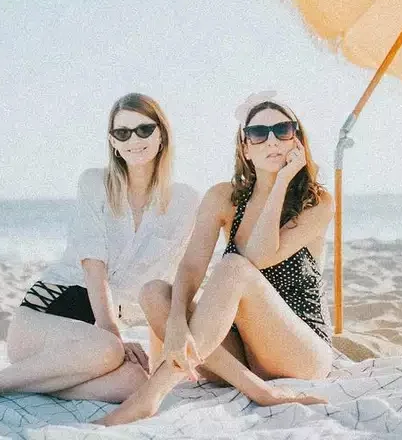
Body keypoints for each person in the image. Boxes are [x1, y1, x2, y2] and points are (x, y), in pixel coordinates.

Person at [0, 93, 199, 403]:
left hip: (93, 341)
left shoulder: (184, 201)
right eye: (122, 132)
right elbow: (93, 263)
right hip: (47, 318)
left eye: (144, 129)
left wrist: (162, 351)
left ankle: (11, 382)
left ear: (162, 134)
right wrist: (111, 332)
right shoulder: (94, 182)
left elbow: (169, 281)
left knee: (134, 383)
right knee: (108, 349)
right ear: (113, 142)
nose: (133, 139)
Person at [99, 92, 333, 425]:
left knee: (235, 267)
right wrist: (177, 324)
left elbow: (258, 257)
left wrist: (279, 182)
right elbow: (192, 267)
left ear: (297, 139)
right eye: (258, 132)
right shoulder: (223, 197)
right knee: (154, 292)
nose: (272, 140)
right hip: (237, 353)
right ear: (245, 147)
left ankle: (151, 396)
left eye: (283, 129)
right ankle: (256, 389)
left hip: (299, 351)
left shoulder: (317, 201)